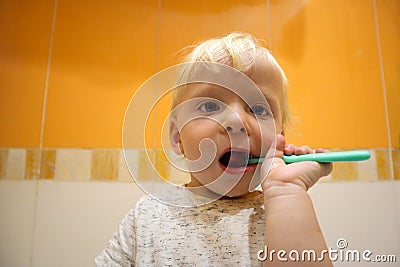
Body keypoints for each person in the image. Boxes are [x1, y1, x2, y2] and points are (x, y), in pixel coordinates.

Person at [95, 32, 333, 266]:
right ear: (178, 138)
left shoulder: (284, 215)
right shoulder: (146, 217)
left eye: (258, 109)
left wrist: (285, 190)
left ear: (280, 139)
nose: (237, 121)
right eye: (209, 105)